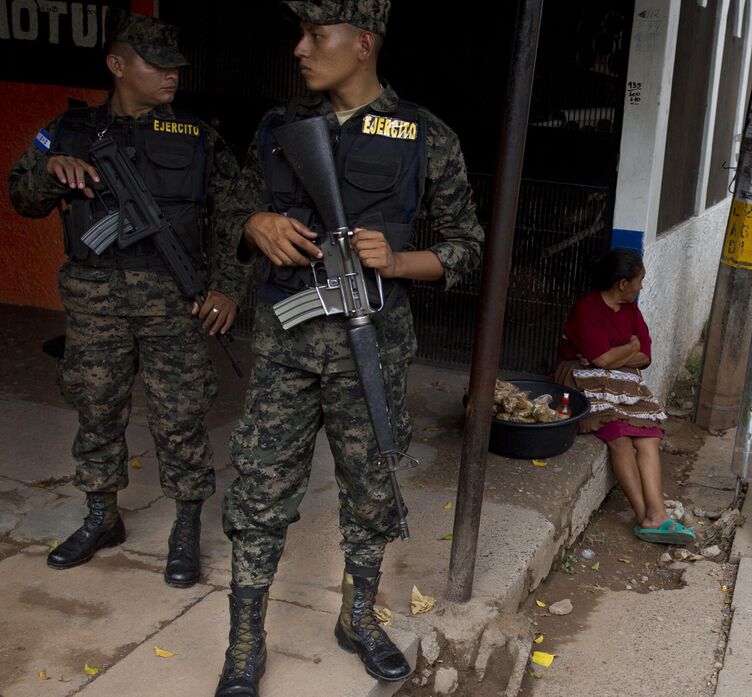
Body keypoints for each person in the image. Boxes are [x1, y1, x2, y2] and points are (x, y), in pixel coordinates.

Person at [214, 2, 484, 694]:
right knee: (260, 489)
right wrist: (256, 223)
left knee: (369, 491)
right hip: (285, 341)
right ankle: (244, 640)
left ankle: (357, 616)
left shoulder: (426, 136)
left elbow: (467, 249)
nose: (300, 49)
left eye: (316, 35)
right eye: (298, 35)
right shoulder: (277, 128)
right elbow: (230, 211)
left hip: (372, 345)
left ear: (362, 43)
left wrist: (395, 261)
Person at [6, 14, 245, 587]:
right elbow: (21, 195)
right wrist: (49, 170)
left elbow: (238, 214)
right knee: (96, 410)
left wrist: (229, 289)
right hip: (94, 301)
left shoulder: (197, 136)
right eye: (156, 65)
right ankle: (100, 516)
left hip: (175, 303)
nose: (171, 77)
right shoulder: (66, 129)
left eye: (175, 67)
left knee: (181, 416)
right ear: (117, 64)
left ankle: (186, 528)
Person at [555, 249, 694, 546]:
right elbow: (601, 360)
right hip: (582, 378)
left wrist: (617, 356)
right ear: (622, 283)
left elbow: (644, 356)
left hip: (619, 381)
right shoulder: (587, 309)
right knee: (618, 435)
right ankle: (645, 516)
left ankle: (657, 514)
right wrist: (625, 351)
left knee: (649, 436)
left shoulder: (630, 310)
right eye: (639, 280)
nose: (642, 286)